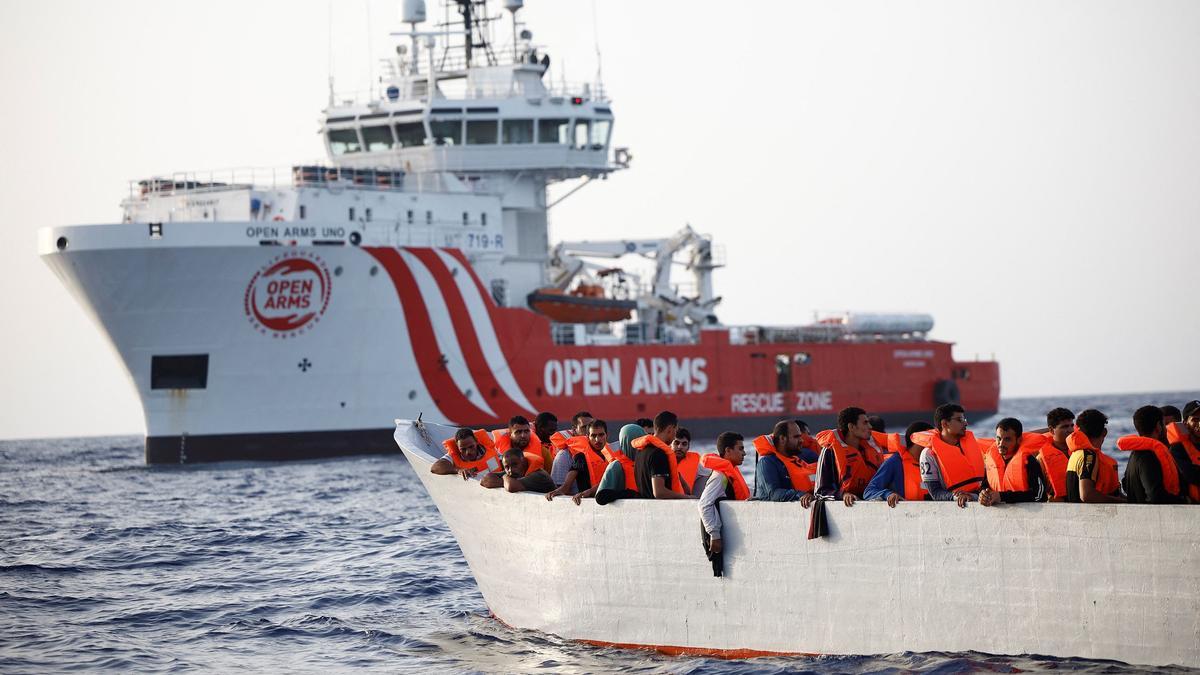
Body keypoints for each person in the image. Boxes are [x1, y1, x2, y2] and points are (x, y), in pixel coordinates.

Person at [913, 404, 999, 507]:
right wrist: (956, 497)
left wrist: (973, 496)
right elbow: (935, 492)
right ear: (944, 424)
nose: (965, 423)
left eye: (964, 419)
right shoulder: (928, 455)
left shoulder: (974, 446)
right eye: (960, 420)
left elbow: (987, 482)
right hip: (952, 507)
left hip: (981, 500)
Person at [697, 432, 750, 565]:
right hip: (722, 539)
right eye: (741, 449)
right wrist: (714, 535)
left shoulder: (730, 472)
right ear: (728, 450)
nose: (744, 453)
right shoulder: (720, 476)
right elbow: (704, 504)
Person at [813, 406, 880, 503]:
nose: (870, 426)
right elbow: (820, 492)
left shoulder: (872, 449)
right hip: (841, 511)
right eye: (865, 423)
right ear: (851, 427)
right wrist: (843, 495)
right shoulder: (830, 450)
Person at [1120, 405, 1184, 504]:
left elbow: (1125, 484)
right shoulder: (1148, 456)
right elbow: (1155, 496)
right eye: (1164, 424)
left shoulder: (1134, 453)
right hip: (1151, 517)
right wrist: (1184, 501)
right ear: (1158, 426)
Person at [863, 422, 933, 506]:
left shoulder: (934, 462)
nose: (933, 442)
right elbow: (869, 491)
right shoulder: (895, 462)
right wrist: (888, 495)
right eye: (929, 438)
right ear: (915, 439)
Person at [1064, 409, 1124, 503]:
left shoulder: (1076, 454)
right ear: (1104, 432)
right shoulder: (1089, 456)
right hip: (1088, 515)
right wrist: (1124, 502)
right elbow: (1087, 495)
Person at [546, 419, 611, 501]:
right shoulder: (580, 456)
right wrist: (561, 490)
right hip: (588, 501)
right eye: (593, 436)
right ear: (588, 437)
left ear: (607, 435)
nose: (597, 439)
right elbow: (567, 484)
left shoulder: (615, 456)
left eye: (601, 435)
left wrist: (591, 491)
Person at [753, 420, 816, 503]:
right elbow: (774, 494)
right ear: (782, 438)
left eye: (800, 436)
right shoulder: (767, 463)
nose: (801, 440)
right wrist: (801, 495)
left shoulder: (799, 460)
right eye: (796, 437)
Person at [632, 411, 690, 498]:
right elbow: (659, 492)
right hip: (659, 509)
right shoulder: (658, 454)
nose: (675, 435)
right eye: (675, 430)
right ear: (670, 429)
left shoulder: (640, 451)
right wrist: (687, 498)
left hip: (645, 507)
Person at [995, 418, 1051, 502]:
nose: (1001, 443)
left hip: (1027, 513)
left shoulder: (1029, 461)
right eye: (998, 438)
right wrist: (984, 494)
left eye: (1007, 439)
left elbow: (1040, 496)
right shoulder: (992, 461)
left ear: (1019, 440)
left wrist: (1003, 497)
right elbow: (984, 487)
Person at [589, 423, 645, 505]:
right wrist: (628, 494)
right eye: (636, 441)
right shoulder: (616, 466)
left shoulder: (647, 462)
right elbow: (601, 497)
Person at [549, 411, 595, 490]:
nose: (588, 430)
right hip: (577, 500)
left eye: (591, 426)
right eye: (584, 427)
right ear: (574, 430)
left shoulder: (602, 451)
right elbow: (558, 488)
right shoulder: (564, 455)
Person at [430, 427, 501, 478]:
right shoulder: (453, 456)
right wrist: (457, 470)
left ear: (476, 441)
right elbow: (435, 467)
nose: (468, 452)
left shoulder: (490, 448)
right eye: (463, 449)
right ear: (458, 447)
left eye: (471, 446)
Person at [1165, 399, 1200, 502]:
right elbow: (1193, 476)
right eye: (1195, 420)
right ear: (1185, 423)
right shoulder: (1178, 449)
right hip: (1192, 509)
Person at [1040, 407, 1075, 501]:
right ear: (1051, 430)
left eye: (1072, 425)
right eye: (1065, 427)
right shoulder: (1041, 458)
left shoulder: (1080, 452)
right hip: (1056, 506)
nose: (1070, 430)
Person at [673, 427, 701, 494]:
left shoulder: (698, 462)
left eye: (684, 444)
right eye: (676, 443)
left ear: (688, 447)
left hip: (687, 502)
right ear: (670, 444)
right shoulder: (661, 460)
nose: (680, 447)